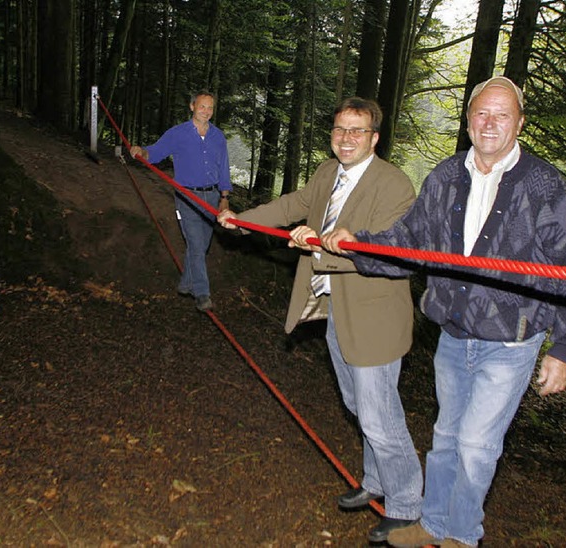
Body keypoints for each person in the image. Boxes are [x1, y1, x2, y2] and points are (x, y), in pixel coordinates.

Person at [321, 77, 566, 548]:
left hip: (510, 340)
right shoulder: (445, 177)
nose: (490, 123)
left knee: (476, 445)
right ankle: (432, 524)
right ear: (468, 122)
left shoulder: (544, 185)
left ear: (519, 123)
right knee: (445, 438)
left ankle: (462, 536)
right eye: (481, 113)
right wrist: (357, 245)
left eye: (501, 114)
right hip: (454, 335)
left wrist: (564, 346)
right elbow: (408, 240)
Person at [218, 97, 423, 543]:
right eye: (339, 129)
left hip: (375, 318)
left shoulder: (395, 186)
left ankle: (407, 506)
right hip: (338, 311)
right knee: (358, 407)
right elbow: (294, 203)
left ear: (374, 138)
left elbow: (387, 254)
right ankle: (377, 482)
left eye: (356, 131)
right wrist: (242, 221)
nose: (346, 138)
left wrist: (320, 245)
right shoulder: (328, 172)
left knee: (379, 416)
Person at [130, 91, 232, 311]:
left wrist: (224, 198)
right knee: (195, 244)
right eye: (202, 106)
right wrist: (142, 152)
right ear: (192, 106)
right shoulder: (177, 134)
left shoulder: (218, 136)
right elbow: (155, 152)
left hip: (212, 197)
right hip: (186, 197)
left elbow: (224, 168)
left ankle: (186, 283)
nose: (206, 111)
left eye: (210, 108)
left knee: (202, 246)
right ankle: (202, 294)